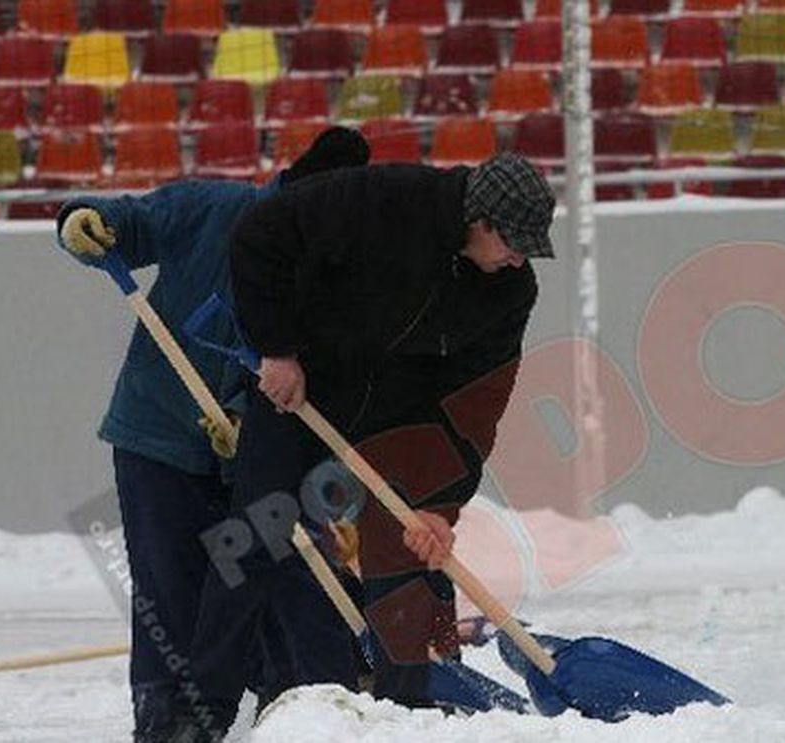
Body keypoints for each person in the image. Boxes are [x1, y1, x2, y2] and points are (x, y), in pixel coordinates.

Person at [182, 152, 555, 740]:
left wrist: (441, 505)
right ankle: (200, 715)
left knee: (408, 551)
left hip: (400, 418)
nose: (519, 259)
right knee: (253, 535)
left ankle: (408, 713)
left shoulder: (511, 290)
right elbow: (261, 236)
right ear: (480, 220)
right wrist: (277, 348)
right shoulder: (385, 200)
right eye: (513, 243)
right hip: (304, 386)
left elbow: (477, 403)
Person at [51, 128, 371, 743]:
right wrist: (83, 219)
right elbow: (131, 223)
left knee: (276, 581)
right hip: (159, 437)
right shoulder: (211, 210)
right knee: (169, 589)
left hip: (259, 454)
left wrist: (249, 422)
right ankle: (165, 722)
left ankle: (296, 717)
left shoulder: (331, 265)